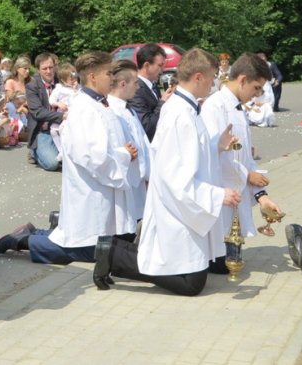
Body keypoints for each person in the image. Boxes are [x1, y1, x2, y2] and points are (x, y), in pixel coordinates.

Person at [93, 48, 241, 296]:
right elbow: (173, 176)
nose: (214, 83)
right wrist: (217, 195)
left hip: (184, 204)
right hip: (175, 205)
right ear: (197, 77)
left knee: (194, 275)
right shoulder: (178, 114)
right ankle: (113, 254)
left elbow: (190, 155)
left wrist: (216, 146)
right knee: (190, 283)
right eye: (212, 77)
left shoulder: (187, 109)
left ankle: (114, 251)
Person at [0, 51, 137, 264]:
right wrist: (124, 154)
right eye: (108, 73)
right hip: (91, 190)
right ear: (93, 77)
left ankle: (36, 234)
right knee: (85, 249)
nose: (113, 78)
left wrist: (124, 151)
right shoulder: (83, 108)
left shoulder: (100, 104)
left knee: (100, 243)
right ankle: (25, 240)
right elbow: (89, 155)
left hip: (103, 187)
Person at [201, 53, 283, 274]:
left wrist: (262, 195)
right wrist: (247, 175)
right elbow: (213, 154)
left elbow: (244, 157)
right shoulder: (214, 107)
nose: (257, 94)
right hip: (220, 198)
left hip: (235, 198)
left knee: (231, 263)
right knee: (221, 266)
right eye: (256, 88)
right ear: (242, 79)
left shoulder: (238, 108)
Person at [106, 60, 150, 223]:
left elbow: (142, 142)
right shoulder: (112, 112)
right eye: (135, 83)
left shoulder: (127, 109)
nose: (138, 87)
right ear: (123, 84)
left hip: (139, 181)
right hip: (126, 182)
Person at [128, 43, 174, 140]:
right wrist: (162, 102)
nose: (163, 70)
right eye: (160, 65)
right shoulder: (136, 90)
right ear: (147, 65)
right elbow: (146, 126)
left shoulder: (152, 85)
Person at [25, 53, 64, 170]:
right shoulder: (32, 86)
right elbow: (38, 112)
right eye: (44, 68)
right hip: (43, 130)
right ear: (38, 70)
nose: (48, 71)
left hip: (62, 128)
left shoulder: (62, 81)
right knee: (52, 164)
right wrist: (62, 116)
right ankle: (34, 151)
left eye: (51, 67)